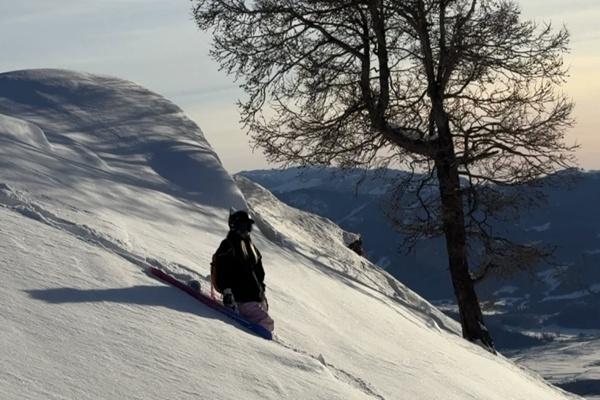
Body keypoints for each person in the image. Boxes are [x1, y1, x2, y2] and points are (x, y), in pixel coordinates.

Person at [211, 209, 274, 333]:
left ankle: (249, 332)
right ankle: (250, 343)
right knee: (267, 324)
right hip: (242, 299)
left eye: (248, 227)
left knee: (264, 323)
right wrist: (227, 292)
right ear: (234, 226)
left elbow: (259, 273)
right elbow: (222, 270)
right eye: (243, 226)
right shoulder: (228, 246)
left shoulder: (250, 248)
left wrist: (262, 292)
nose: (246, 231)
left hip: (255, 298)